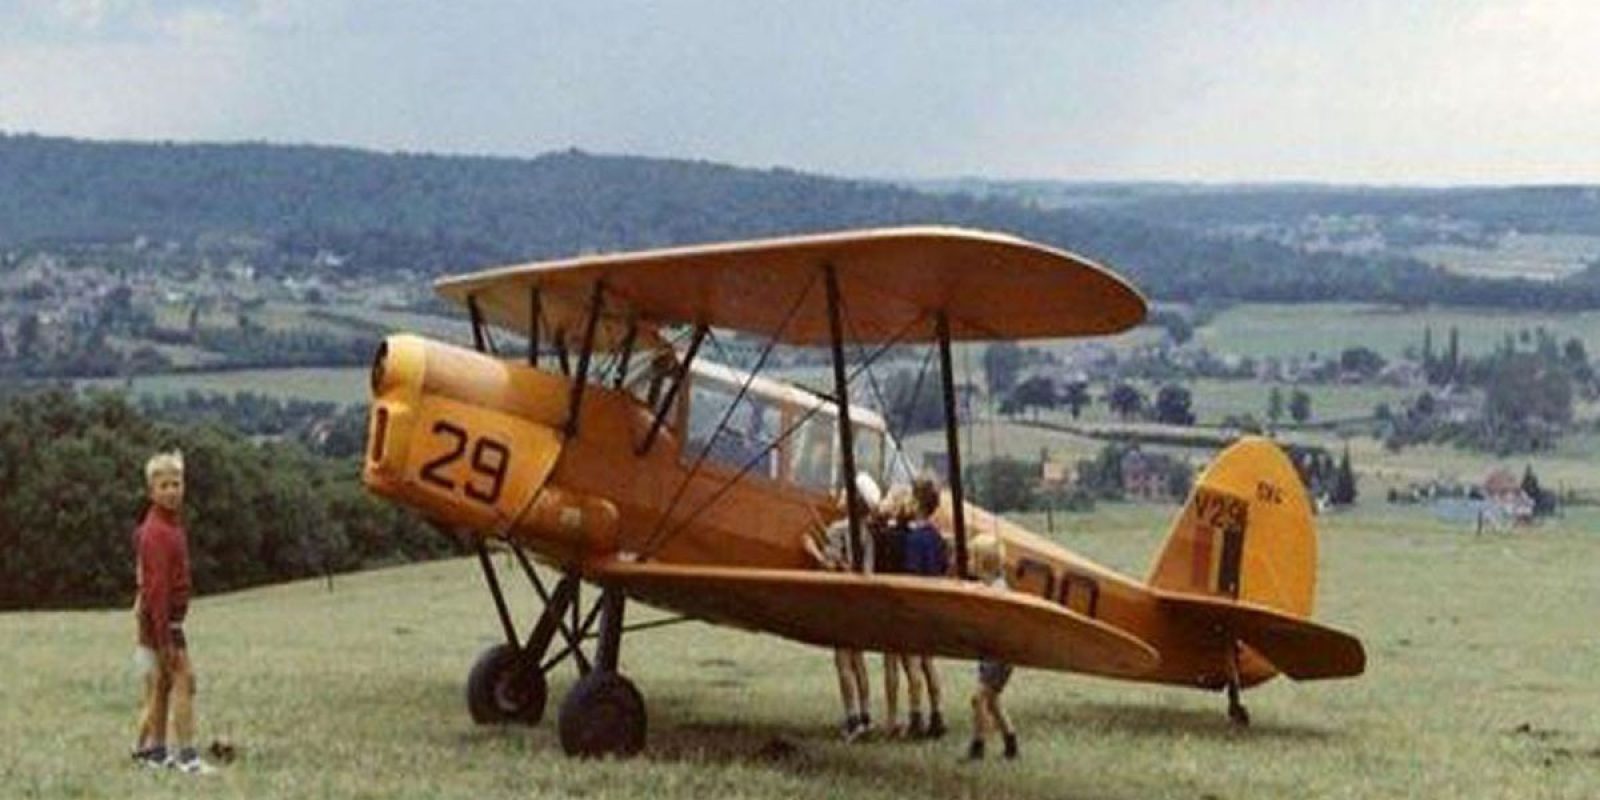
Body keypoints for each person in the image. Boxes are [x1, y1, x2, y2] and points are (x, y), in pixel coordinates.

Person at [131, 450, 214, 774]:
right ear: (151, 491)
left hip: (164, 621)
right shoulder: (156, 533)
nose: (171, 490)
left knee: (163, 685)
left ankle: (155, 751)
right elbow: (156, 590)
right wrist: (164, 639)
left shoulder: (169, 526)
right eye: (164, 485)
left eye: (176, 483)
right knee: (183, 681)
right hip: (162, 622)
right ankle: (188, 756)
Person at [803, 473, 881, 742]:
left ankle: (851, 719)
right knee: (859, 662)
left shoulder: (837, 530)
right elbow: (868, 571)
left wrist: (812, 549)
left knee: (843, 662)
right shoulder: (867, 535)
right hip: (861, 604)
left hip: (841, 604)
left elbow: (828, 565)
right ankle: (867, 715)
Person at [964, 535, 1019, 761]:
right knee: (993, 701)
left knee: (978, 699)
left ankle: (978, 746)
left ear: (981, 563)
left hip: (999, 656)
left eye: (970, 557)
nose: (967, 561)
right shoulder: (990, 586)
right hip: (991, 653)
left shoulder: (997, 592)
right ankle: (1011, 744)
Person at [901, 476, 948, 739]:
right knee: (929, 663)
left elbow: (910, 576)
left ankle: (916, 717)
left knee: (913, 665)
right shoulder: (937, 538)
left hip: (915, 609)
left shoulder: (914, 539)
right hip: (933, 606)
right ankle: (937, 714)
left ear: (917, 502)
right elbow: (942, 568)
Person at [871, 486, 912, 738]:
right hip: (907, 604)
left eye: (887, 498)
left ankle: (893, 718)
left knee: (892, 664)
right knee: (914, 664)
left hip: (890, 604)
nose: (882, 500)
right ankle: (919, 715)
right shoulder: (906, 535)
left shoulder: (883, 535)